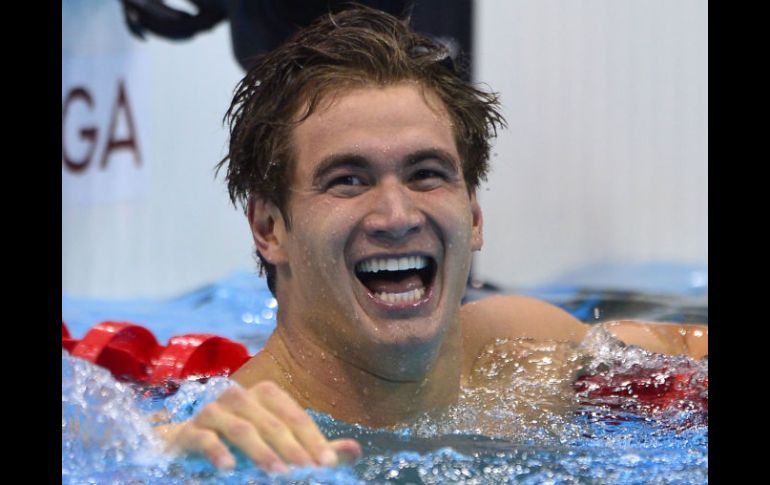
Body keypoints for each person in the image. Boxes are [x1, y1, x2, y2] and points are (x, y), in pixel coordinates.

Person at [155, 5, 708, 473]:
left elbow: (686, 352)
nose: (396, 215)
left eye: (427, 174)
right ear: (267, 228)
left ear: (473, 215)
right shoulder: (243, 439)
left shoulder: (525, 356)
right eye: (348, 180)